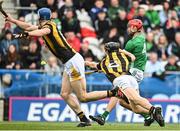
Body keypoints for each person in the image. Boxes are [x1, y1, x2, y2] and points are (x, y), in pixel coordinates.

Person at [5, 7, 119, 127]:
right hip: (69, 63)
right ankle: (84, 119)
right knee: (64, 94)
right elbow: (28, 26)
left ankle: (113, 93)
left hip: (72, 62)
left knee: (83, 97)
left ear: (40, 17)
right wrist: (13, 20)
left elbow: (41, 32)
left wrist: (26, 34)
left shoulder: (49, 27)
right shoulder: (46, 25)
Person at [89, 19, 164, 127]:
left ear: (134, 28)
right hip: (138, 72)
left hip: (133, 71)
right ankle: (148, 116)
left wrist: (107, 66)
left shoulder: (131, 43)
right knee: (123, 102)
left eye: (130, 27)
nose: (129, 29)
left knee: (117, 90)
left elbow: (122, 59)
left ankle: (103, 116)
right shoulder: (142, 38)